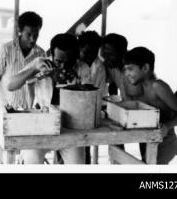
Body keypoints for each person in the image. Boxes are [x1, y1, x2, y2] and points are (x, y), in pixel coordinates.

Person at [7, 33, 85, 164]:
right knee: (32, 161)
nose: (63, 67)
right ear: (52, 55)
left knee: (77, 165)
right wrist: (34, 70)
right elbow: (10, 85)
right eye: (58, 62)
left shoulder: (82, 69)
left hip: (70, 128)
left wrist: (77, 82)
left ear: (76, 58)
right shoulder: (40, 63)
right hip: (41, 126)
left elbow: (89, 100)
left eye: (68, 63)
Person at [123, 47, 177, 164]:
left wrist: (166, 126)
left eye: (130, 69)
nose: (127, 74)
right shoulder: (140, 88)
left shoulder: (158, 86)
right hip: (149, 141)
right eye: (125, 70)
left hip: (166, 143)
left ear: (146, 68)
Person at [0, 11, 45, 118]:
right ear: (20, 31)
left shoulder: (41, 54)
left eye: (36, 35)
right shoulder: (5, 50)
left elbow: (41, 86)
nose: (33, 39)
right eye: (28, 34)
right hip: (6, 112)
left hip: (30, 114)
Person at [77, 31, 106, 164]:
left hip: (90, 114)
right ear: (80, 48)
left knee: (85, 148)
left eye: (94, 52)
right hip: (72, 111)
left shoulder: (99, 66)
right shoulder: (74, 63)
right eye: (87, 52)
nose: (90, 56)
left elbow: (99, 93)